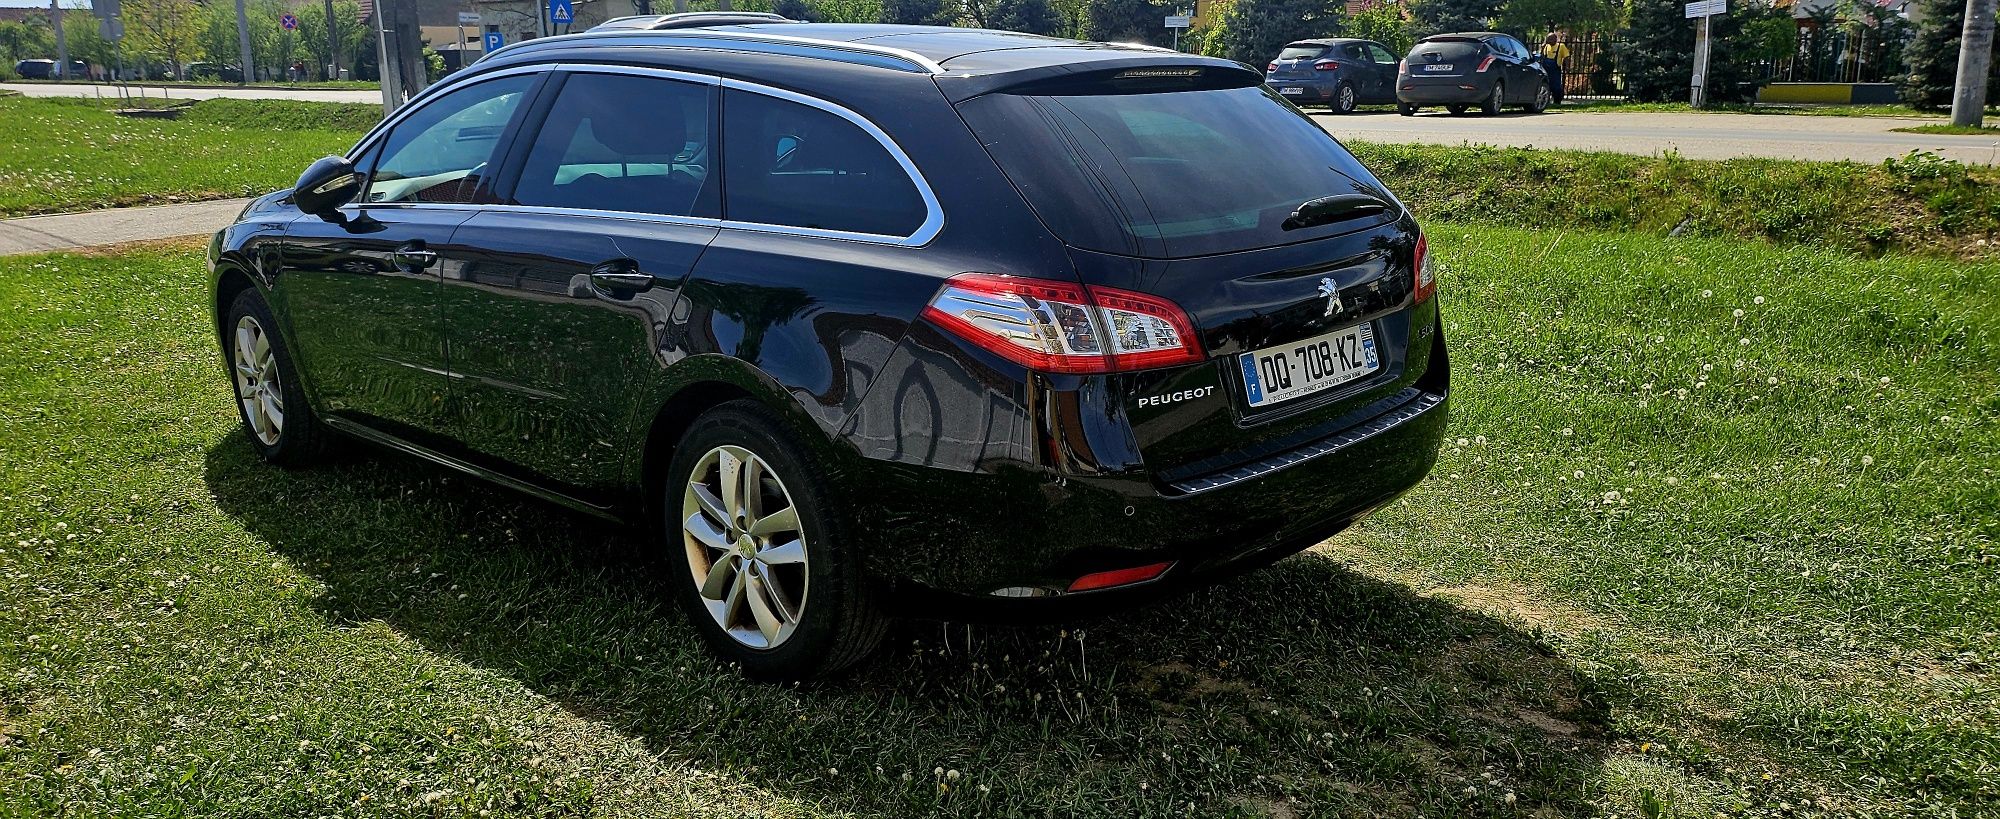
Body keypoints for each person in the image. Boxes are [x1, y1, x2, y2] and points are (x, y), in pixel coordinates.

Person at [1537, 33, 1569, 105]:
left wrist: (1566, 67)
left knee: (1556, 87)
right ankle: (1546, 101)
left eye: (1550, 39)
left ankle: (1557, 102)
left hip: (1555, 70)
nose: (1549, 41)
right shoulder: (1546, 47)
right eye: (1548, 39)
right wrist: (1542, 47)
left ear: (1555, 39)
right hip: (1545, 70)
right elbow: (1540, 56)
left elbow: (1566, 57)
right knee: (1546, 85)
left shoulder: (1561, 46)